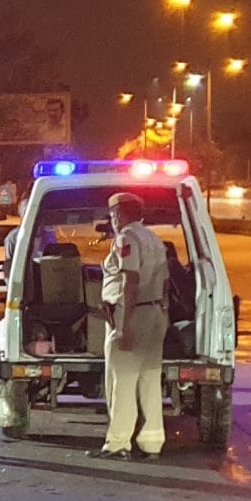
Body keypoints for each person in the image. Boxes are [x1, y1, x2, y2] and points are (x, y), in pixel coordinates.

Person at [99, 190, 170, 459]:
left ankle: (118, 443)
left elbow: (131, 280)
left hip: (133, 314)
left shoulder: (126, 238)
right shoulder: (154, 239)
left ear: (118, 214)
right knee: (150, 380)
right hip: (155, 314)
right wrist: (163, 314)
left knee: (123, 382)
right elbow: (165, 282)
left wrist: (125, 325)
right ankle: (152, 443)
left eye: (112, 215)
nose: (112, 220)